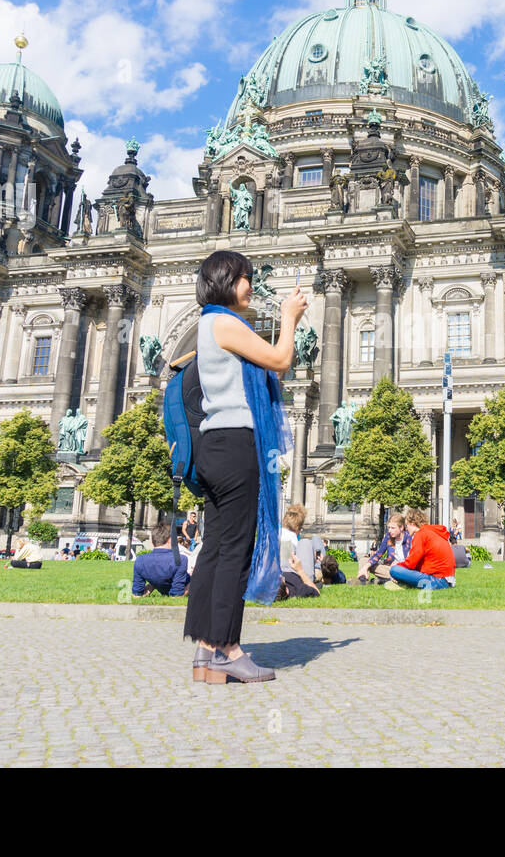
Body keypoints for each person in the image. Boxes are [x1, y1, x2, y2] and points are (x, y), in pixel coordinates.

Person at [186, 250, 307, 686]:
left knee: (216, 549)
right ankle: (227, 650)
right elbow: (279, 360)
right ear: (225, 280)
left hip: (216, 445)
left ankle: (204, 650)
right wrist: (290, 317)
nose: (251, 286)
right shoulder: (224, 322)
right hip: (238, 444)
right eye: (245, 278)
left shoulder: (206, 324)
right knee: (234, 551)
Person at [385, 507, 455, 590]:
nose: (406, 528)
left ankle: (404, 584)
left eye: (407, 525)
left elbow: (411, 563)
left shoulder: (420, 534)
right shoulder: (431, 532)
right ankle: (405, 583)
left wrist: (398, 566)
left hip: (438, 580)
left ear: (413, 523)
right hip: (447, 579)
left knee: (394, 570)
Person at [132, 523, 190, 596]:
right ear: (170, 541)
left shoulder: (140, 560)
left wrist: (154, 582)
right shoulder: (181, 559)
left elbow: (137, 593)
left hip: (159, 583)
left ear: (152, 542)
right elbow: (177, 594)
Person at [359, 512, 410, 584]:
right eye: (388, 527)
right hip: (389, 569)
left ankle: (383, 581)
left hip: (405, 570)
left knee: (399, 572)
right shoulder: (388, 537)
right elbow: (378, 554)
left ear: (401, 527)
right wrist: (365, 567)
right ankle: (363, 580)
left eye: (393, 528)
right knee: (363, 561)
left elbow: (413, 560)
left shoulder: (409, 537)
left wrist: (399, 564)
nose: (389, 530)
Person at [280, 504, 324, 583]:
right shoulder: (293, 539)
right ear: (297, 528)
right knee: (316, 540)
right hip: (299, 576)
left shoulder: (275, 536)